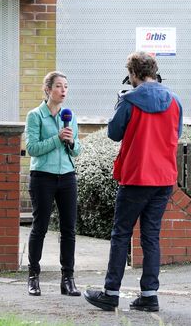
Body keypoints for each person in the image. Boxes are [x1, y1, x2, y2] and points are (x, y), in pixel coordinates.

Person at [84, 52, 182, 312]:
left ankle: (110, 293)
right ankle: (149, 295)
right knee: (151, 236)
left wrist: (119, 105)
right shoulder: (175, 101)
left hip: (137, 176)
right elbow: (176, 133)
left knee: (121, 234)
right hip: (163, 178)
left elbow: (114, 133)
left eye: (130, 74)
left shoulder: (129, 100)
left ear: (134, 74)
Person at [24, 71, 82, 297]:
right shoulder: (35, 116)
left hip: (67, 177)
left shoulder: (70, 116)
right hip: (42, 177)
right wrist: (56, 138)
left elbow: (77, 150)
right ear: (48, 90)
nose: (64, 90)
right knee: (40, 227)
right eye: (59, 86)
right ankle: (33, 277)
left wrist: (71, 141)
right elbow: (33, 148)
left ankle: (68, 279)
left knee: (69, 230)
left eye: (66, 86)